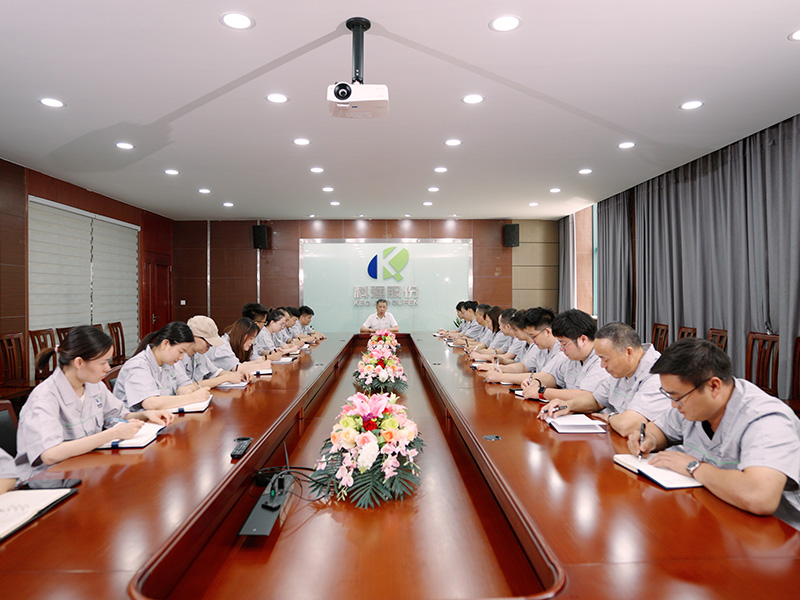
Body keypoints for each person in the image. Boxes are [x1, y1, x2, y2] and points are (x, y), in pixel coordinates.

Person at [628, 338, 800, 529]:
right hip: (716, 511)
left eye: (677, 397)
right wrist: (648, 439)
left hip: (778, 529)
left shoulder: (765, 420)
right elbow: (659, 429)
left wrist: (693, 467)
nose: (673, 405)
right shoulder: (694, 405)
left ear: (714, 386)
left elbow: (759, 497)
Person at [15, 326, 174, 480]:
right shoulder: (45, 397)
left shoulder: (93, 384)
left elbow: (119, 415)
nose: (108, 368)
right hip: (46, 480)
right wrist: (112, 434)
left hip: (85, 468)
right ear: (79, 362)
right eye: (103, 362)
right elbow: (50, 455)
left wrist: (146, 414)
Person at [538, 322, 668, 437]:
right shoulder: (622, 369)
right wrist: (567, 405)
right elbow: (596, 400)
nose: (602, 365)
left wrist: (609, 417)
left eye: (605, 359)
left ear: (628, 352)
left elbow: (627, 425)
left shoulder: (657, 375)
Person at [114, 321, 211, 411]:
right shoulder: (137, 366)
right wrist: (192, 398)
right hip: (135, 421)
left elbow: (187, 384)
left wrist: (184, 389)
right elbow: (151, 403)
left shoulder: (170, 362)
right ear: (165, 344)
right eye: (181, 351)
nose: (181, 357)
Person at [530, 309, 611, 409]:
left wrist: (541, 392)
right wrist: (537, 382)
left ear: (583, 339)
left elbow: (586, 396)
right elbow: (555, 379)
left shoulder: (601, 361)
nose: (561, 348)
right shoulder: (572, 359)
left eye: (564, 344)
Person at [484, 307, 568, 384]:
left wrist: (501, 377)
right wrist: (499, 368)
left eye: (533, 336)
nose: (532, 340)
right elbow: (524, 366)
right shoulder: (542, 347)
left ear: (547, 332)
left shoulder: (562, 351)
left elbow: (543, 377)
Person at [178, 316, 252, 388]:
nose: (211, 345)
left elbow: (216, 372)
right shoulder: (178, 357)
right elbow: (188, 386)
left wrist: (239, 374)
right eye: (208, 342)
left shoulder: (199, 354)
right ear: (194, 336)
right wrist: (225, 378)